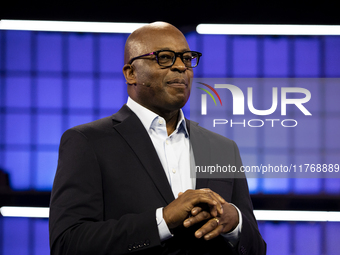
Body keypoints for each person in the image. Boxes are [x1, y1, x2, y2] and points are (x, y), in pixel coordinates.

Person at [49, 22, 266, 255]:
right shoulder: (87, 142)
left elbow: (256, 249)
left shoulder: (224, 148)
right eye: (165, 57)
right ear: (131, 73)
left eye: (187, 58)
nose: (182, 67)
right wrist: (162, 219)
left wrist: (235, 223)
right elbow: (67, 244)